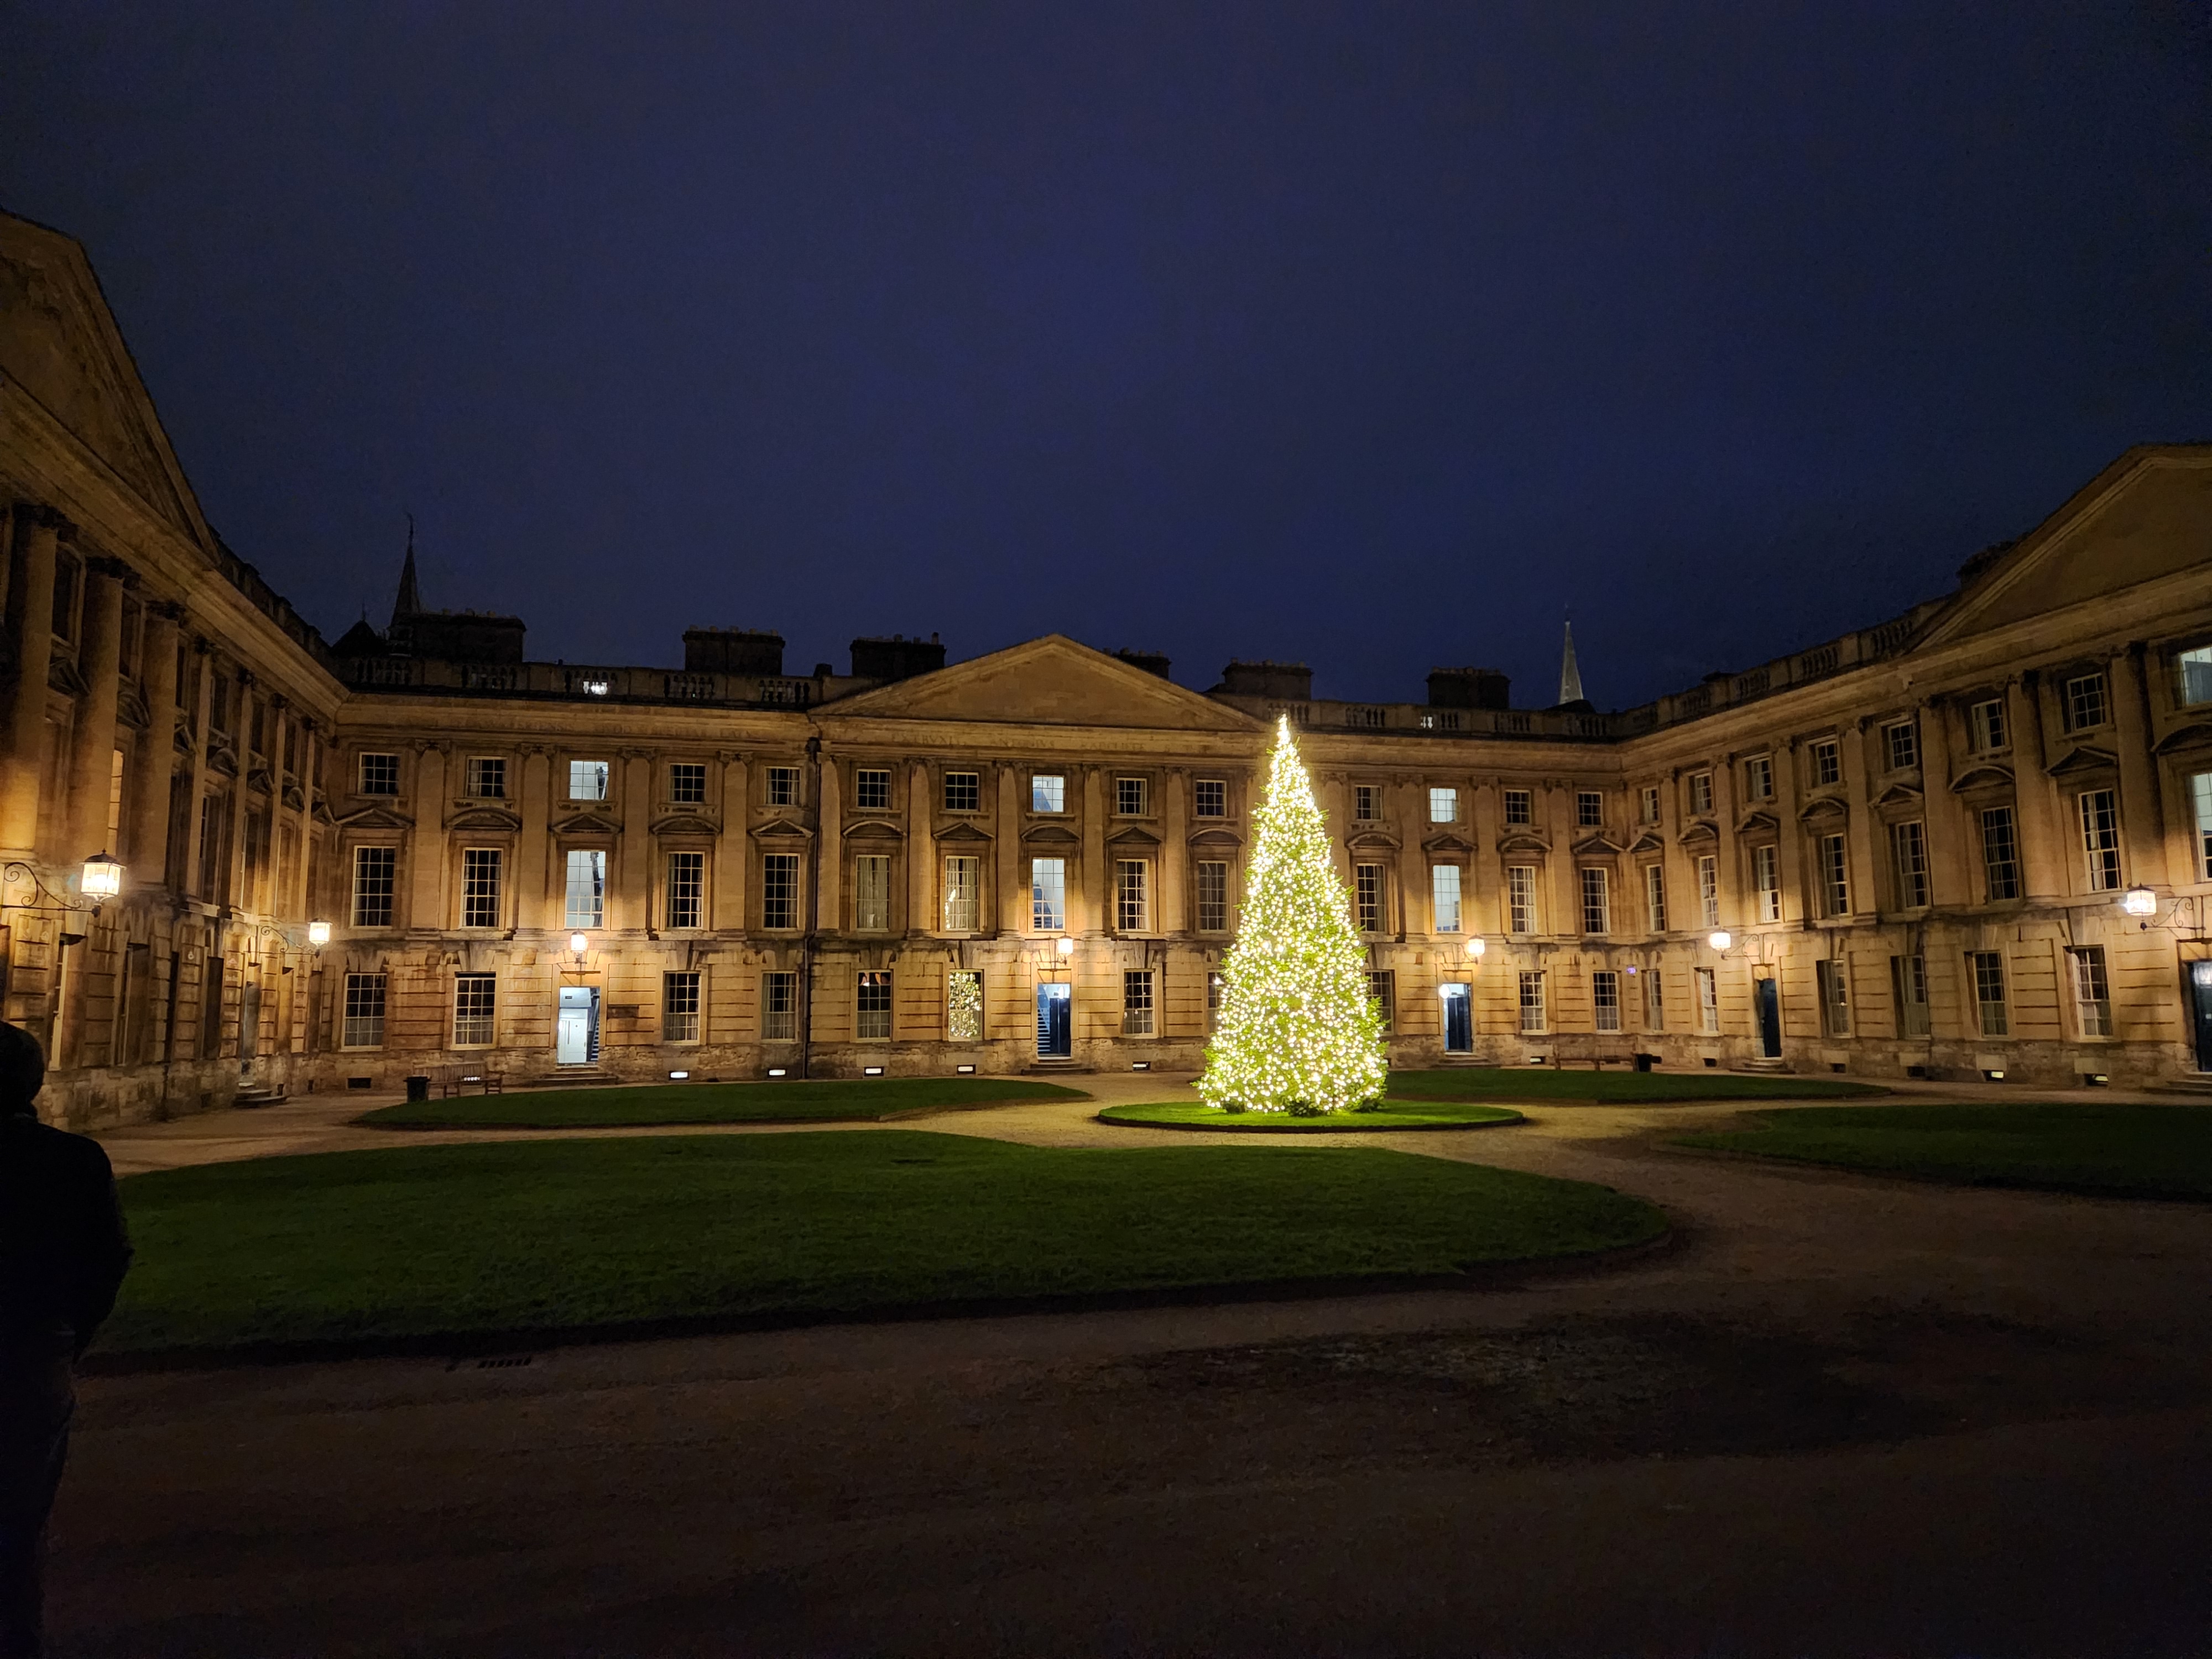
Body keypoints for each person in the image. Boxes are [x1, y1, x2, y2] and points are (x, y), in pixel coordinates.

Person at [0, 1022, 131, 1659]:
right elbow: (107, 1262)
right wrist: (68, 1337)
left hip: (37, 1347)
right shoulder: (74, 1160)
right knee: (18, 1522)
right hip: (32, 1350)